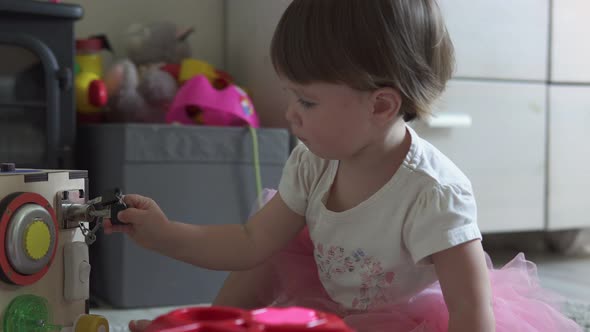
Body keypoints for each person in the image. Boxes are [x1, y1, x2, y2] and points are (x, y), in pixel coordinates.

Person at [105, 1, 582, 331]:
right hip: (329, 296)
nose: (289, 112)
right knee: (274, 252)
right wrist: (166, 233)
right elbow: (250, 243)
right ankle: (210, 326)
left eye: (307, 101)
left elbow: (471, 310)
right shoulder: (312, 162)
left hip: (408, 317)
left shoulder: (435, 192)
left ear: (380, 106)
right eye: (292, 94)